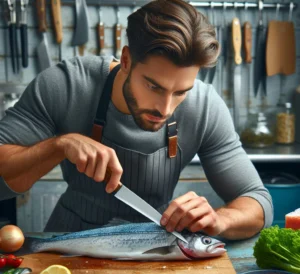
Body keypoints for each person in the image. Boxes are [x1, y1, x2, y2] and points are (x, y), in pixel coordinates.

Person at [0, 0, 273, 238]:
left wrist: (219, 219)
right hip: (69, 245)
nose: (165, 108)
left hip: (158, 247)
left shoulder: (205, 107)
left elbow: (258, 202)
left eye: (180, 92)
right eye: (154, 87)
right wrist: (59, 145)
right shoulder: (66, 85)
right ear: (127, 60)